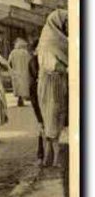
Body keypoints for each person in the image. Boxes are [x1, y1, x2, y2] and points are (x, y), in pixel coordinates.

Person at [37, 9, 68, 167]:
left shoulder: (60, 39)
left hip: (58, 84)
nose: (68, 26)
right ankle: (55, 160)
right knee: (52, 119)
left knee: (55, 120)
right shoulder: (49, 40)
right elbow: (52, 65)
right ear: (58, 23)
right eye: (66, 22)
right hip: (50, 85)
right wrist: (68, 69)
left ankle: (49, 159)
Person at [28, 38, 45, 163]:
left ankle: (42, 153)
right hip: (37, 93)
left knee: (43, 123)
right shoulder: (34, 61)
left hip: (39, 92)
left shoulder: (41, 59)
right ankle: (41, 153)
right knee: (42, 122)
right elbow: (36, 75)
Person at [8, 37, 32, 106]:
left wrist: (11, 70)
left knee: (17, 86)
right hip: (24, 72)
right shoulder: (25, 53)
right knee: (23, 85)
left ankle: (20, 98)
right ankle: (21, 99)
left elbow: (9, 62)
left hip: (16, 72)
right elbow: (30, 62)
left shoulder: (13, 52)